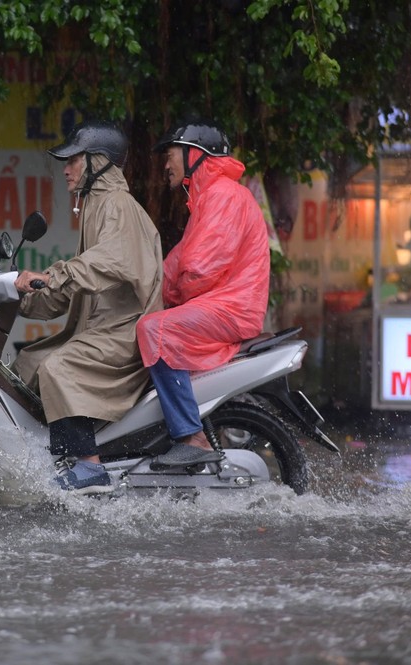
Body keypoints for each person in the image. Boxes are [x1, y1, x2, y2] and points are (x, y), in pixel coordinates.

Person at [13, 121, 164, 494]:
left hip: (125, 332)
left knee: (57, 368)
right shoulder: (95, 204)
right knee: (27, 363)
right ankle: (50, 455)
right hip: (101, 329)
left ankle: (89, 466)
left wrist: (53, 276)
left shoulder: (117, 205)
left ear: (99, 162)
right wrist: (24, 299)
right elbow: (79, 285)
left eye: (74, 160)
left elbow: (107, 263)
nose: (66, 169)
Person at [136, 120, 270, 466]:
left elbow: (199, 269)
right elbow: (176, 263)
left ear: (194, 154)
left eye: (170, 155)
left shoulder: (223, 195)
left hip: (231, 308)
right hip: (223, 305)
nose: (165, 165)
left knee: (155, 329)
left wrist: (171, 297)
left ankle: (190, 437)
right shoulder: (208, 198)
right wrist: (146, 289)